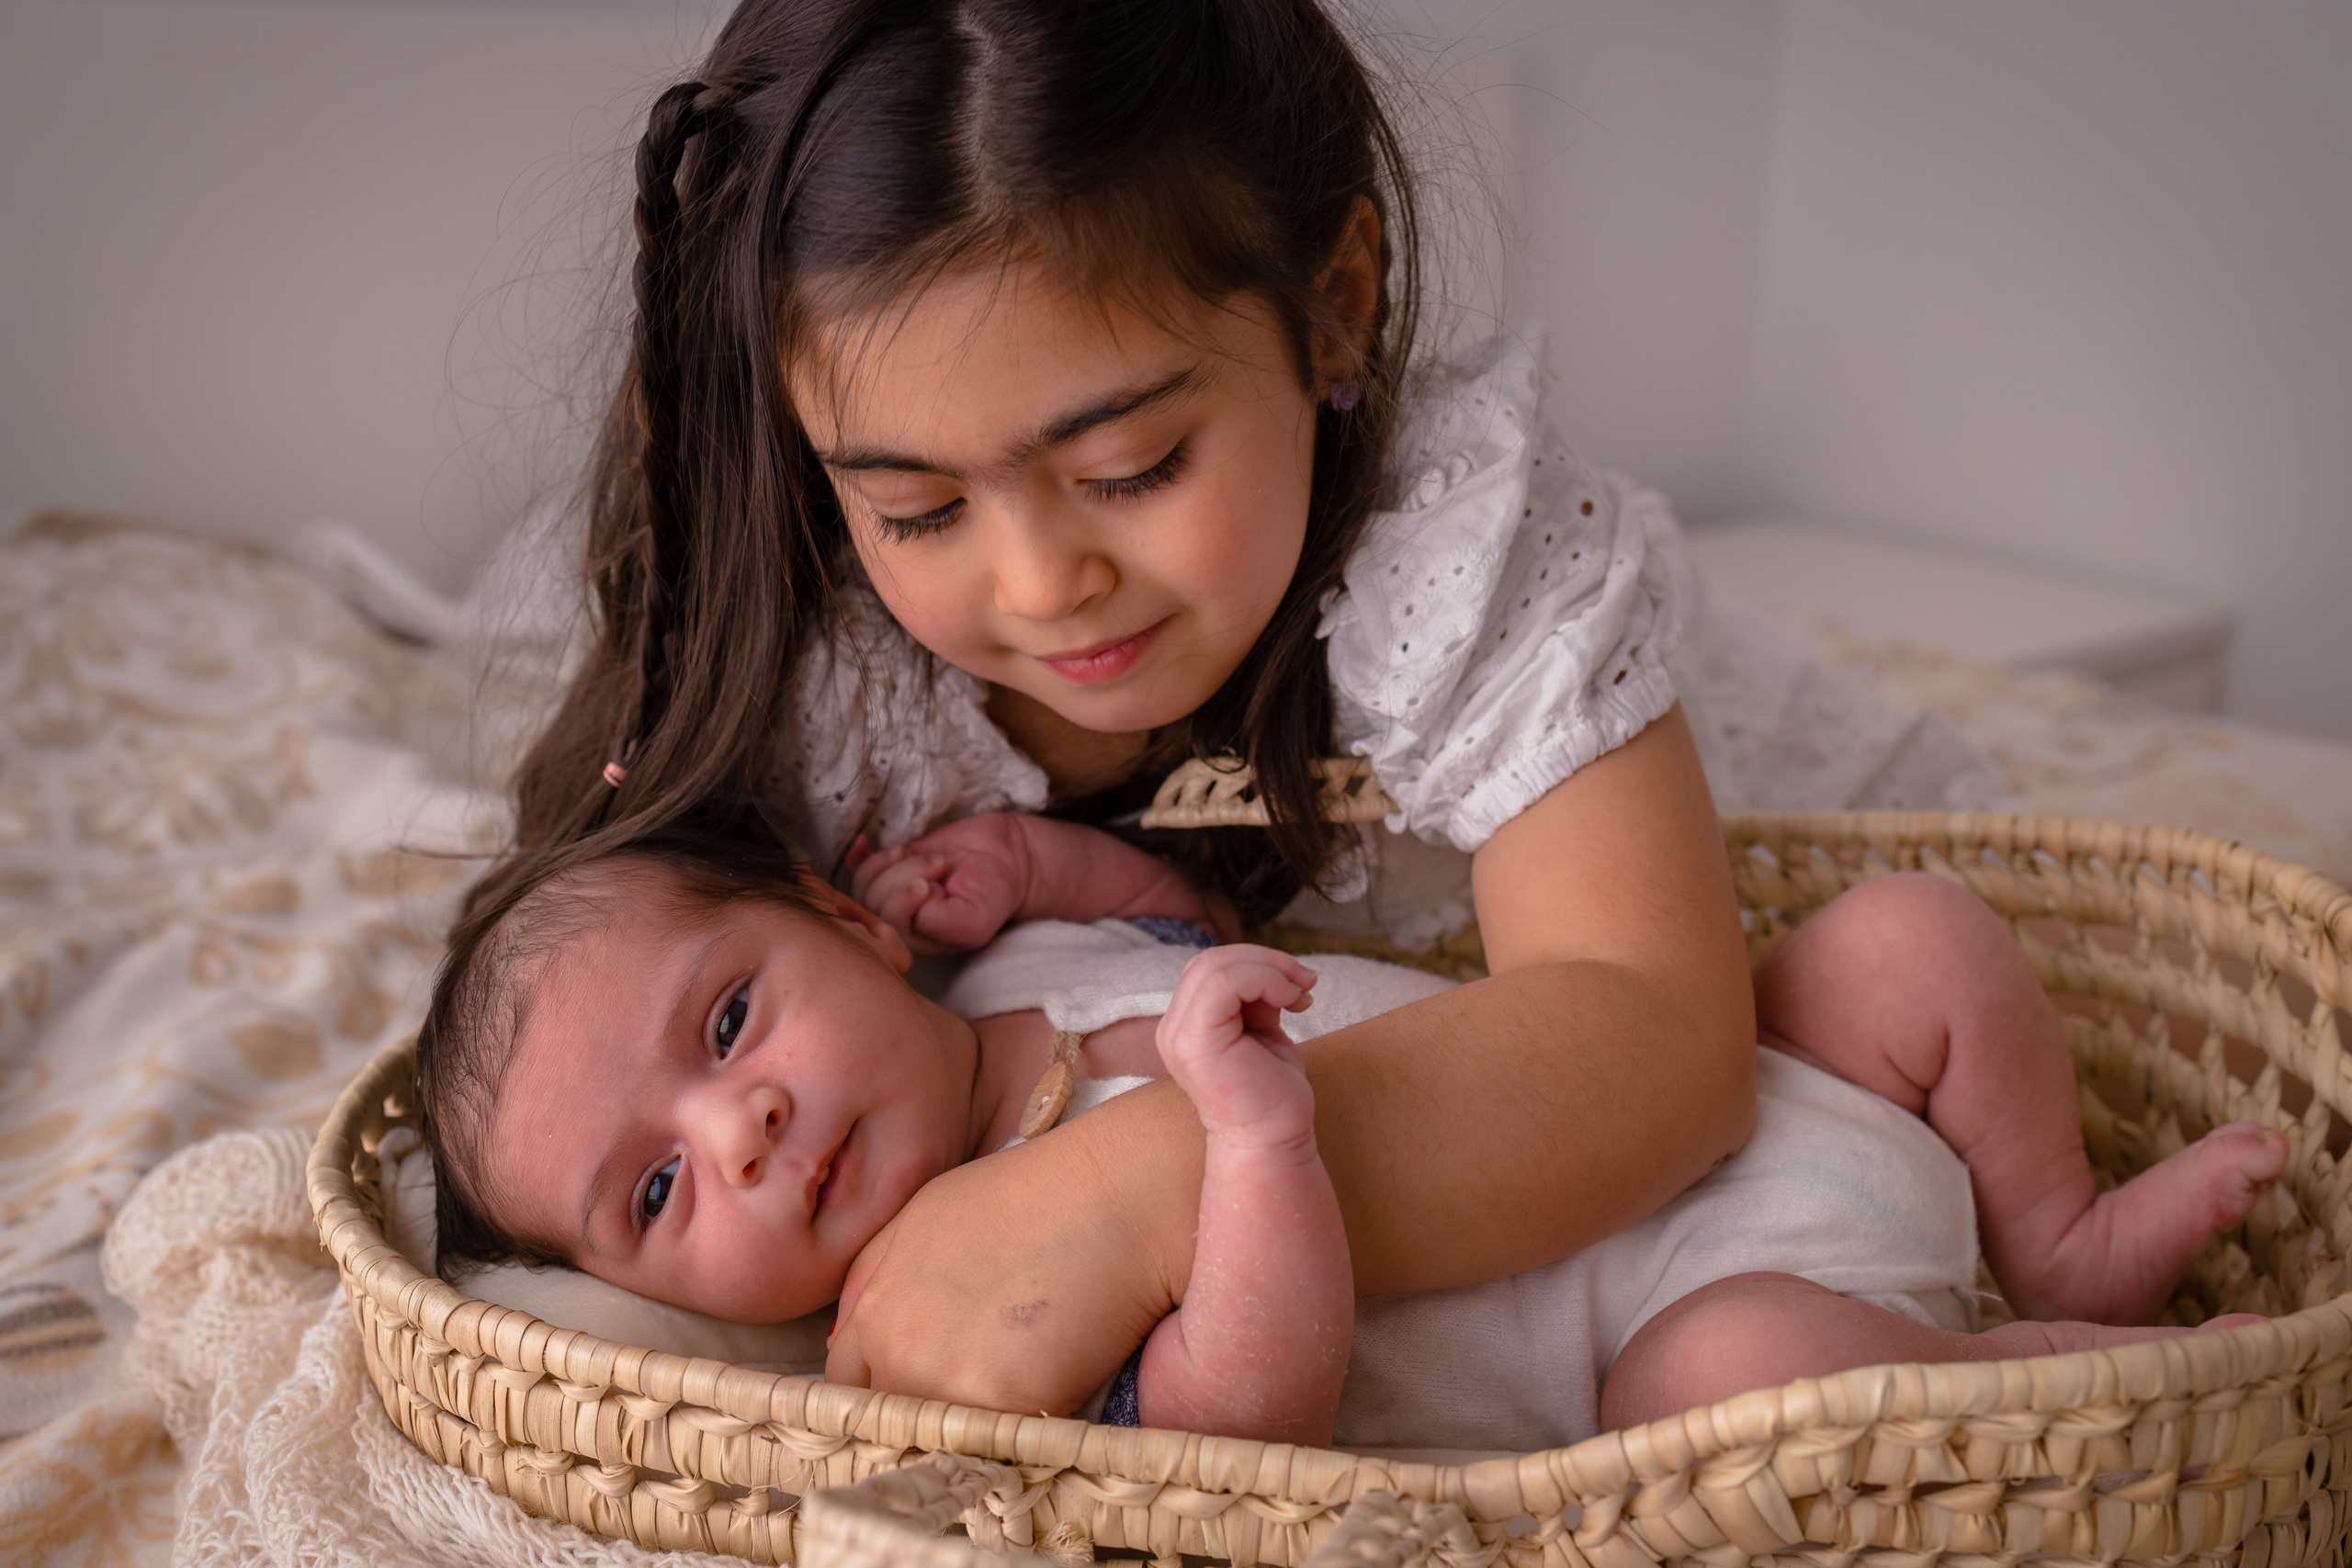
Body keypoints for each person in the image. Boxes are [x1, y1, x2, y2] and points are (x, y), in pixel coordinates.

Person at [491, 0, 1759, 1421]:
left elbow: (1662, 1037)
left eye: (1133, 465)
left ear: (1335, 296)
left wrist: (1154, 1184)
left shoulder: (1465, 552)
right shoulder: (811, 663)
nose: (1042, 586)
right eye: (921, 507)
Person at [415, 816, 2285, 1450]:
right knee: (1715, 1384)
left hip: (1769, 1091)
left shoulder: (1016, 961)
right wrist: (1242, 1146)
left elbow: (1186, 909)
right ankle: (2053, 1353)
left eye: (725, 1021)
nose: (736, 1124)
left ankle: (2037, 1221)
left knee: (1909, 934)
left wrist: (1046, 860)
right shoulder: (957, 1308)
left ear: (850, 913)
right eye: (655, 1190)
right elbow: (1250, 1410)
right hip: (1729, 1291)